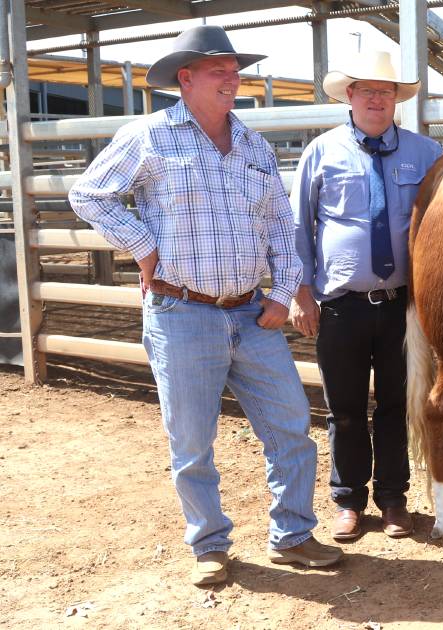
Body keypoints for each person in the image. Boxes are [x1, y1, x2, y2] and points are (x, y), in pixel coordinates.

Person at [69, 25, 341, 587]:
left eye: (234, 69)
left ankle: (292, 535)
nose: (231, 78)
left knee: (291, 425)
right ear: (185, 79)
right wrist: (143, 247)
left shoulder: (253, 145)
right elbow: (88, 193)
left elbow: (279, 228)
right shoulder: (149, 136)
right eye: (218, 70)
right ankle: (210, 544)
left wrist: (284, 293)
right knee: (192, 440)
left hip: (250, 312)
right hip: (182, 312)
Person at [290, 50, 441, 541]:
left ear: (397, 99)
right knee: (345, 408)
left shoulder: (427, 154)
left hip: (402, 306)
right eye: (368, 90)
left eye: (387, 90)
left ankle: (394, 500)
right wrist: (301, 291)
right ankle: (348, 500)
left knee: (399, 404)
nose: (377, 98)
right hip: (341, 305)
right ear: (349, 96)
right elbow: (300, 225)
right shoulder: (322, 151)